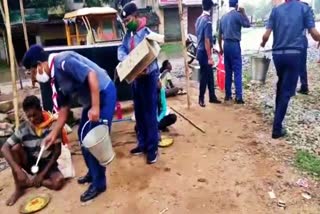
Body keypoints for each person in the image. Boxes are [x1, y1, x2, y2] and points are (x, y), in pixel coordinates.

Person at [22, 45, 116, 202]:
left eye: (31, 73)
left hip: (103, 93)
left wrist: (95, 107)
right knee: (82, 136)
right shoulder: (54, 78)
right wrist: (52, 134)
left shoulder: (63, 62)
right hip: (91, 99)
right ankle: (93, 173)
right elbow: (64, 110)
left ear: (39, 65)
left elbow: (92, 76)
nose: (33, 78)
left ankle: (99, 183)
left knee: (93, 140)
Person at [261, 0, 320, 139]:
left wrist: (263, 43)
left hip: (278, 56)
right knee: (286, 91)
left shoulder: (276, 10)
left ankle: (277, 120)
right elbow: (314, 34)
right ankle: (277, 128)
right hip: (294, 55)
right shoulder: (304, 9)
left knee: (281, 85)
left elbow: (265, 35)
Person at [1, 96, 65, 206]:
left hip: (47, 164)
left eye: (34, 115)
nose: (32, 119)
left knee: (58, 182)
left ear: (41, 110)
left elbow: (57, 152)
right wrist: (18, 170)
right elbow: (4, 148)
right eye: (28, 116)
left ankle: (30, 182)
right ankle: (18, 188)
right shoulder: (23, 128)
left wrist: (41, 174)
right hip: (30, 163)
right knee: (15, 148)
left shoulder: (53, 125)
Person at [118, 2, 159, 164]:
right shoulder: (128, 36)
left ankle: (152, 149)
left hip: (148, 78)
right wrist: (126, 59)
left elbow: (153, 54)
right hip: (135, 78)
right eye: (125, 22)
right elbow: (121, 50)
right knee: (140, 113)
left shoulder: (147, 33)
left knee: (149, 114)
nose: (127, 24)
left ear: (136, 16)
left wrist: (144, 67)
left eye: (128, 20)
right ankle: (142, 144)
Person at [218, 0, 250, 104]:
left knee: (228, 71)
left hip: (226, 45)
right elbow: (247, 24)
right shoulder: (238, 15)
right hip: (235, 45)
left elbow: (219, 35)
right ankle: (239, 97)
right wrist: (244, 12)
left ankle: (228, 96)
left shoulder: (223, 18)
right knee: (237, 71)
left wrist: (221, 48)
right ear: (236, 5)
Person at [195, 0, 221, 107]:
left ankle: (212, 96)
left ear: (202, 6)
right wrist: (210, 57)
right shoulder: (208, 21)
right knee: (204, 76)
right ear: (210, 8)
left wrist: (212, 48)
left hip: (200, 51)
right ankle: (201, 98)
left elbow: (201, 38)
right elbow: (206, 40)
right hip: (205, 53)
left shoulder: (198, 19)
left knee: (210, 74)